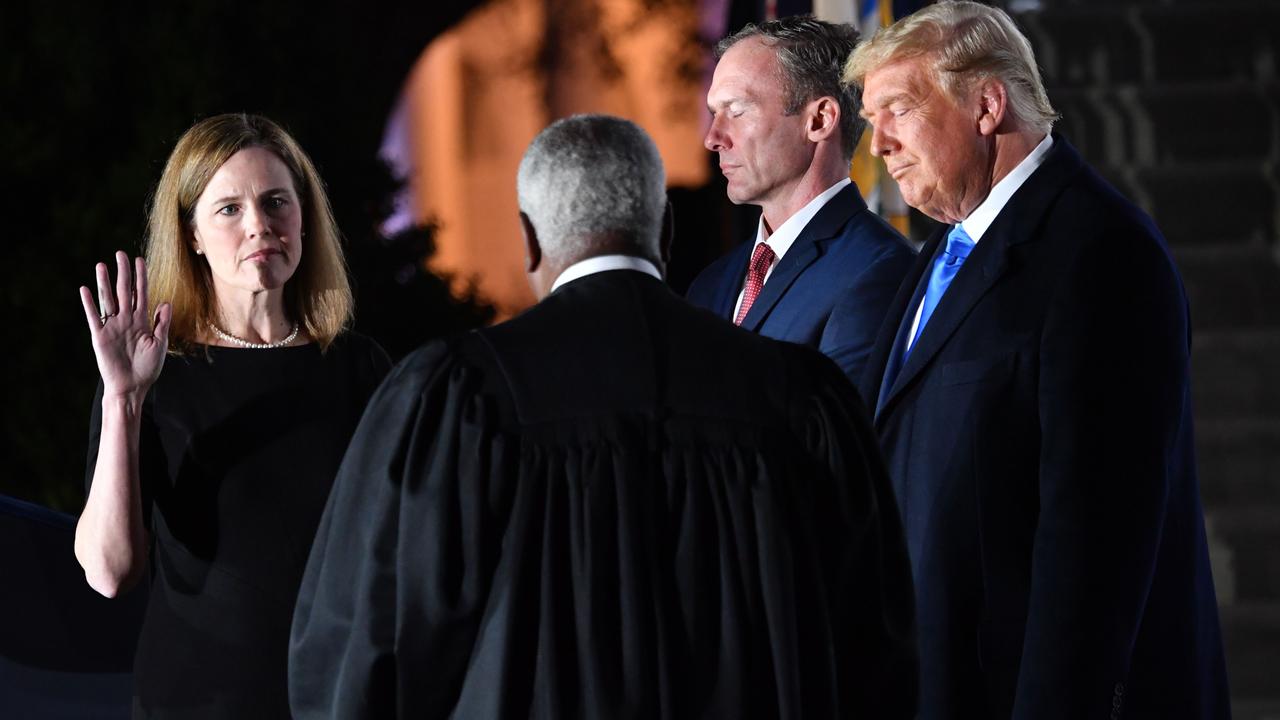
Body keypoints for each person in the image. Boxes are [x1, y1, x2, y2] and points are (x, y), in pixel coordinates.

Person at [289, 114, 917, 719]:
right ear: (664, 231)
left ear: (530, 239)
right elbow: (877, 653)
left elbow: (365, 654)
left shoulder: (457, 397)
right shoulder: (800, 395)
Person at [843, 3, 1231, 718]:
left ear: (987, 104)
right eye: (872, 122)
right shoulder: (936, 257)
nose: (880, 145)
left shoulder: (1100, 255)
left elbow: (1094, 546)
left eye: (897, 109)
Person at [75, 113, 391, 718]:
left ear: (305, 218)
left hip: (337, 697)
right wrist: (123, 400)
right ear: (191, 232)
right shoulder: (153, 372)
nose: (260, 227)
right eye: (228, 209)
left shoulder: (361, 368)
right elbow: (110, 573)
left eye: (276, 202)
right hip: (197, 701)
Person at [686, 16, 915, 387]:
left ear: (819, 120)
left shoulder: (880, 271)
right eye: (715, 113)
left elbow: (840, 436)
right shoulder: (712, 284)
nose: (713, 137)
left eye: (737, 110)